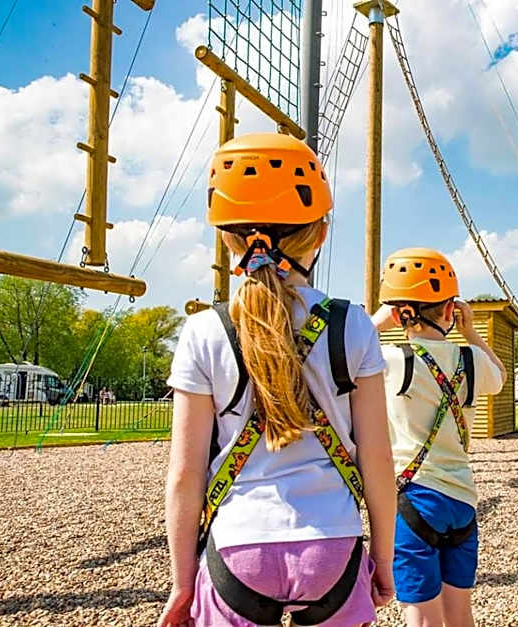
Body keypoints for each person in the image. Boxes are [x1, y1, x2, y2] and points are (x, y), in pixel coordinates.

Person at [158, 133, 396, 627]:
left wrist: (184, 583)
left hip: (237, 545)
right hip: (334, 544)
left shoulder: (205, 331)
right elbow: (377, 459)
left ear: (225, 236)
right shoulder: (352, 325)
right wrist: (385, 561)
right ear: (321, 233)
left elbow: (184, 474)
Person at [371, 248, 505, 627]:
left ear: (399, 313)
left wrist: (379, 320)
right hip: (462, 500)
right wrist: (471, 333)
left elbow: (342, 352)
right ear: (450, 310)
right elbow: (500, 376)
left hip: (415, 499)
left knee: (422, 618)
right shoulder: (471, 360)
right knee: (460, 615)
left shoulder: (392, 360)